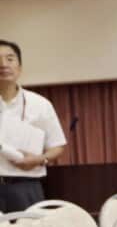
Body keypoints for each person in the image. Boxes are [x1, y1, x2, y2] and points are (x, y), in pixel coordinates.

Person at [0, 40, 68, 212]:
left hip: (26, 186)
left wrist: (39, 159)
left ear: (20, 67)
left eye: (9, 59)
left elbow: (57, 146)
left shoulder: (40, 104)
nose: (3, 64)